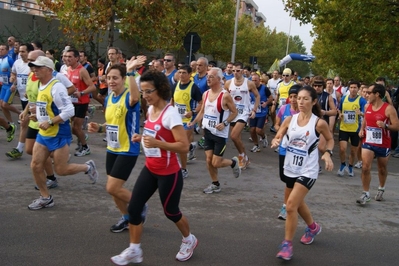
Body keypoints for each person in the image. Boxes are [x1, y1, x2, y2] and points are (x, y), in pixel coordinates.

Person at [111, 69, 198, 264]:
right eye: (143, 91)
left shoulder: (171, 114)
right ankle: (134, 250)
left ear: (160, 90)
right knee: (134, 208)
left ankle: (189, 240)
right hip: (150, 168)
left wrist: (158, 143)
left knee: (171, 211)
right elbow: (155, 136)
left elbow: (183, 146)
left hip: (169, 173)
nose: (145, 96)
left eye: (149, 91)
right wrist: (141, 138)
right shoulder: (151, 110)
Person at [271, 85, 334, 261]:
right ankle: (313, 227)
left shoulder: (318, 123)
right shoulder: (289, 120)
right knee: (297, 204)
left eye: (305, 99)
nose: (300, 101)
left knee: (290, 205)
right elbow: (279, 135)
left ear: (314, 101)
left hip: (308, 170)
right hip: (291, 167)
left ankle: (286, 245)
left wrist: (328, 153)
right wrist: (276, 140)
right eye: (299, 98)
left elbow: (329, 140)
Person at [27, 56, 98, 210]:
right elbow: (48, 107)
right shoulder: (40, 84)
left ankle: (87, 167)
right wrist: (37, 115)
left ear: (49, 70)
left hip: (59, 132)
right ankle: (45, 197)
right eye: (34, 67)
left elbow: (69, 110)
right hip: (43, 133)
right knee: (35, 165)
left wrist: (51, 122)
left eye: (38, 67)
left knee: (61, 170)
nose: (35, 70)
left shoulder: (56, 86)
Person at [88, 57, 148, 232]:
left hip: (128, 149)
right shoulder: (108, 99)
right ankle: (127, 218)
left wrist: (130, 71)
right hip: (112, 148)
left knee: (112, 187)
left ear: (123, 79)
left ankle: (139, 205)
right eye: (109, 78)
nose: (111, 81)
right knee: (114, 190)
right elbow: (112, 123)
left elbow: (136, 96)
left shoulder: (129, 96)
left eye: (115, 78)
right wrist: (99, 128)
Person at [188, 67, 240, 194]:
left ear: (218, 79)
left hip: (220, 135)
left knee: (216, 162)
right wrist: (194, 122)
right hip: (208, 132)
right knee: (208, 160)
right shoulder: (205, 94)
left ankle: (233, 162)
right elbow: (202, 111)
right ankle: (215, 184)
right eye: (207, 76)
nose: (208, 79)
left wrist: (225, 123)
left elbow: (234, 112)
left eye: (211, 76)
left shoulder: (225, 96)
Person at [356, 83, 399, 204]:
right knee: (365, 167)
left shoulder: (389, 108)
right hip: (368, 141)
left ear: (377, 94)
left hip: (383, 143)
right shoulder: (367, 106)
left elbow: (397, 126)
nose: (366, 94)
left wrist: (385, 125)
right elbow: (365, 119)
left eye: (369, 93)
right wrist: (361, 129)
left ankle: (381, 188)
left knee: (382, 168)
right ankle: (365, 194)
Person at [225, 62, 259, 169]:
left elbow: (257, 96)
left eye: (238, 71)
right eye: (234, 71)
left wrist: (254, 110)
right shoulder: (228, 83)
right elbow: (224, 96)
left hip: (243, 113)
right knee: (237, 139)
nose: (235, 73)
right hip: (232, 113)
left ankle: (241, 156)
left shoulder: (249, 83)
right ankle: (245, 158)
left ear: (242, 71)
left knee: (234, 136)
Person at [274, 85, 301, 220]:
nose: (294, 99)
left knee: (291, 180)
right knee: (284, 177)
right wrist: (282, 130)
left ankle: (286, 206)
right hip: (284, 147)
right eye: (291, 97)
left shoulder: (303, 113)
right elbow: (276, 124)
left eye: (296, 97)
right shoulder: (284, 109)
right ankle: (294, 200)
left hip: (297, 150)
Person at [171, 65, 202, 178]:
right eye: (180, 72)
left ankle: (183, 169)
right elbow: (172, 100)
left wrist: (193, 112)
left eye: (184, 73)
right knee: (174, 143)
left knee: (181, 144)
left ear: (189, 74)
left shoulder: (194, 88)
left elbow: (201, 103)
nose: (181, 75)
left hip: (189, 120)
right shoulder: (175, 85)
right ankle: (190, 147)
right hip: (176, 119)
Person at [65, 49, 96, 156]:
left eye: (70, 57)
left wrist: (81, 93)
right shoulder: (68, 69)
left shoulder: (82, 70)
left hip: (81, 103)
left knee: (76, 128)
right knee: (72, 128)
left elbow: (92, 87)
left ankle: (85, 147)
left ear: (77, 58)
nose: (67, 59)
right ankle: (82, 136)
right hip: (71, 102)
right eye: (66, 56)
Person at [6, 43, 34, 159]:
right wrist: (13, 82)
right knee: (25, 124)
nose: (20, 53)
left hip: (33, 99)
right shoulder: (17, 63)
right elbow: (14, 74)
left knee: (24, 124)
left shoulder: (34, 65)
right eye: (20, 51)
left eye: (23, 51)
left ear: (30, 52)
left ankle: (19, 148)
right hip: (23, 98)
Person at [337, 81, 367, 177]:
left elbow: (366, 113)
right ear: (348, 89)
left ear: (358, 89)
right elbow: (339, 109)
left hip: (355, 129)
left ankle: (350, 166)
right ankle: (342, 165)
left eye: (355, 87)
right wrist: (340, 114)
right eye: (351, 87)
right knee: (342, 149)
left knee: (353, 151)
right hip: (344, 128)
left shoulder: (362, 101)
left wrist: (361, 113)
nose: (353, 89)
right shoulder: (344, 98)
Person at [249, 73, 272, 152]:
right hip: (253, 112)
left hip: (262, 112)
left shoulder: (264, 88)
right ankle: (256, 145)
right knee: (252, 130)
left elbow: (271, 98)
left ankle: (263, 136)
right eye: (252, 80)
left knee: (258, 130)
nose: (254, 82)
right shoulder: (250, 89)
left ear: (259, 80)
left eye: (256, 80)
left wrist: (266, 103)